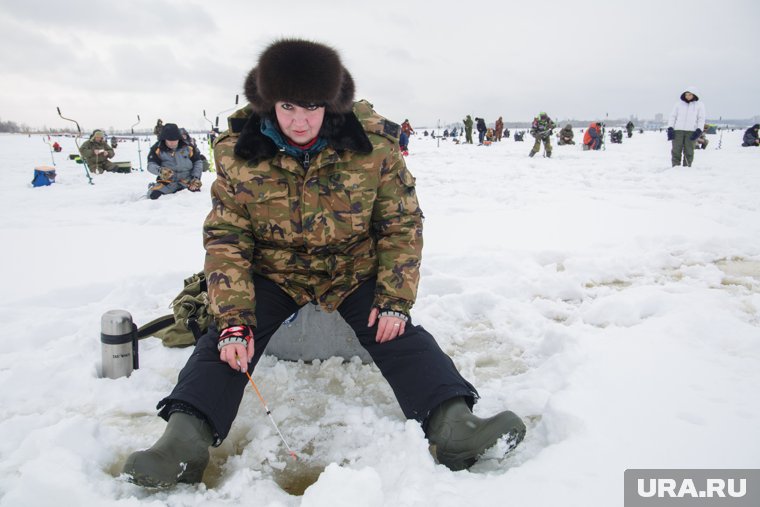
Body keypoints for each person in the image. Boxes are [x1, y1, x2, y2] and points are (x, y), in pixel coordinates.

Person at [122, 38, 526, 488]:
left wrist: (394, 298)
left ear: (331, 103)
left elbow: (401, 224)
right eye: (288, 106)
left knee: (397, 334)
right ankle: (182, 443)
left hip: (352, 269)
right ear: (268, 103)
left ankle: (457, 428)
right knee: (225, 342)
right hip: (274, 273)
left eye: (312, 107)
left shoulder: (373, 147)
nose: (300, 120)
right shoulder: (240, 153)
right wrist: (234, 317)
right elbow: (227, 238)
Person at [146, 123, 204, 199]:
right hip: (168, 182)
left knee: (195, 195)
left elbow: (198, 162)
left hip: (187, 181)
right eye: (169, 140)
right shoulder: (157, 148)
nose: (172, 143)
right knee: (153, 195)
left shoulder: (188, 147)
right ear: (164, 139)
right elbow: (151, 165)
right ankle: (153, 186)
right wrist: (161, 171)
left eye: (175, 140)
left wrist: (196, 178)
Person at [667, 86, 706, 167]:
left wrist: (699, 130)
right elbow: (673, 116)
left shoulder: (699, 105)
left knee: (689, 150)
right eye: (686, 94)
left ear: (694, 95)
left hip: (691, 131)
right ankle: (675, 166)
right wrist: (670, 128)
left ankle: (687, 167)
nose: (687, 96)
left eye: (689, 94)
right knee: (676, 150)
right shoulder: (678, 104)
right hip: (678, 131)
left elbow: (701, 119)